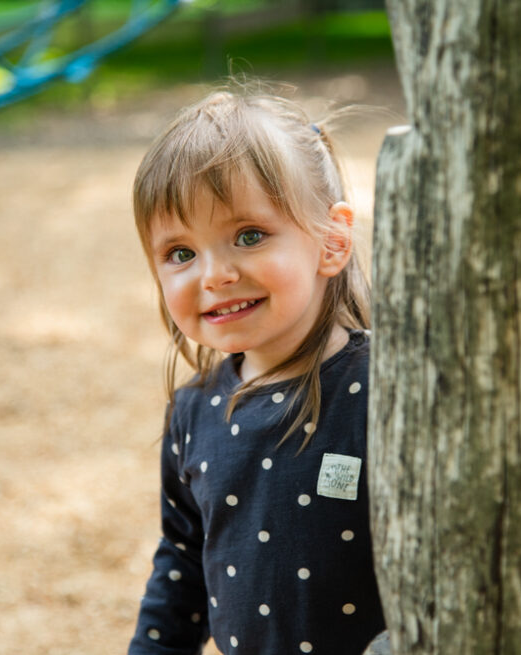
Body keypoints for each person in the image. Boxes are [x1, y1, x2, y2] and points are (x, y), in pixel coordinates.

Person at [127, 88, 385, 655]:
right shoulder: (195, 410)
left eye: (248, 236)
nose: (214, 275)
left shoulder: (385, 391)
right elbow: (182, 561)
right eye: (180, 253)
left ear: (332, 240)